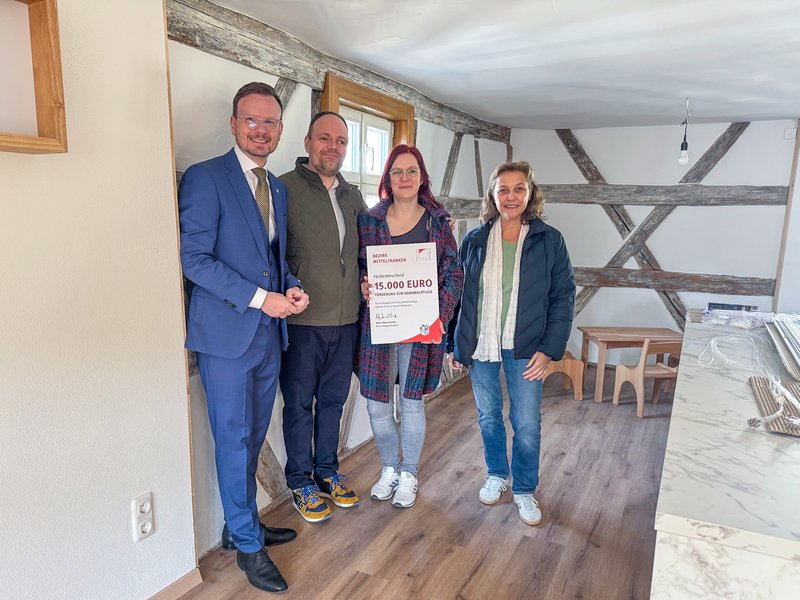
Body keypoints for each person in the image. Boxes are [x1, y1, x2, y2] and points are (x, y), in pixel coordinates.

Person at [179, 82, 309, 594]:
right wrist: (261, 299)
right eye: (251, 120)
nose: (260, 130)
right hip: (226, 336)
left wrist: (290, 287)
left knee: (254, 435)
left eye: (269, 122)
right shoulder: (205, 177)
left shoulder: (276, 187)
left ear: (280, 129)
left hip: (268, 335)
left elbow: (274, 259)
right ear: (234, 124)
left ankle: (240, 526)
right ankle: (249, 547)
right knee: (233, 437)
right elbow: (194, 260)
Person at [448, 160, 575, 526]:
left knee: (526, 422)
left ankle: (523, 488)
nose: (511, 196)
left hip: (527, 346)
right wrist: (455, 343)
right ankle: (497, 474)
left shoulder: (549, 240)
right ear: (493, 195)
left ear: (530, 193)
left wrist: (549, 349)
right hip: (482, 343)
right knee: (488, 416)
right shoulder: (474, 241)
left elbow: (563, 296)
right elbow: (459, 296)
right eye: (503, 189)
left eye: (519, 188)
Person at [358, 145, 463, 508]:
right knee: (377, 406)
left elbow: (454, 274)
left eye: (412, 171)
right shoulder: (369, 221)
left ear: (422, 177)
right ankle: (389, 468)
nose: (404, 178)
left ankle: (409, 475)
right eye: (397, 172)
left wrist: (440, 316)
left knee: (411, 403)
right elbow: (359, 267)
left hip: (420, 329)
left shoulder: (437, 223)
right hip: (379, 326)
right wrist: (363, 286)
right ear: (388, 178)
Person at [279, 112, 366, 522]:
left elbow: (374, 247)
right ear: (307, 143)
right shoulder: (283, 189)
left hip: (346, 322)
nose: (333, 147)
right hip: (302, 323)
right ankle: (300, 481)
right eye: (325, 138)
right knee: (299, 405)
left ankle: (327, 472)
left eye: (341, 141)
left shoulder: (353, 196)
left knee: (333, 402)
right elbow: (270, 254)